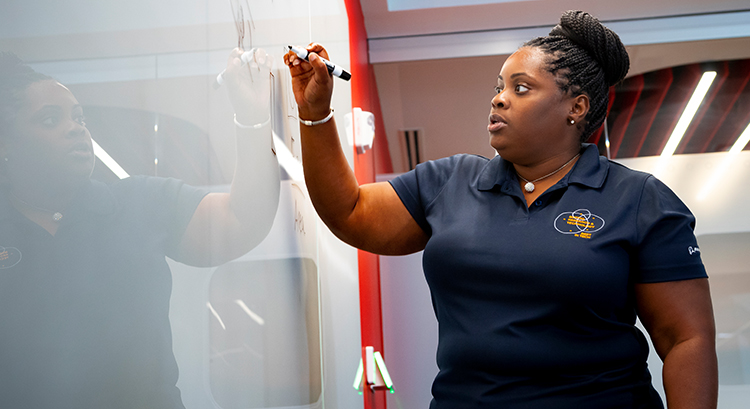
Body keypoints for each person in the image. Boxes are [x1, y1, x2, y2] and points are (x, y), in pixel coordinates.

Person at [284, 10, 718, 409]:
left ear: (577, 107)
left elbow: (685, 339)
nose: (498, 99)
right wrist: (315, 114)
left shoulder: (639, 199)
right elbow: (349, 211)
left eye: (520, 88)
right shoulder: (449, 182)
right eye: (499, 87)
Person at [0, 48, 280, 408]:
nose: (74, 128)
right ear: (6, 143)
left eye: (79, 118)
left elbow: (242, 219)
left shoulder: (138, 204)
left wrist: (254, 116)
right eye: (50, 120)